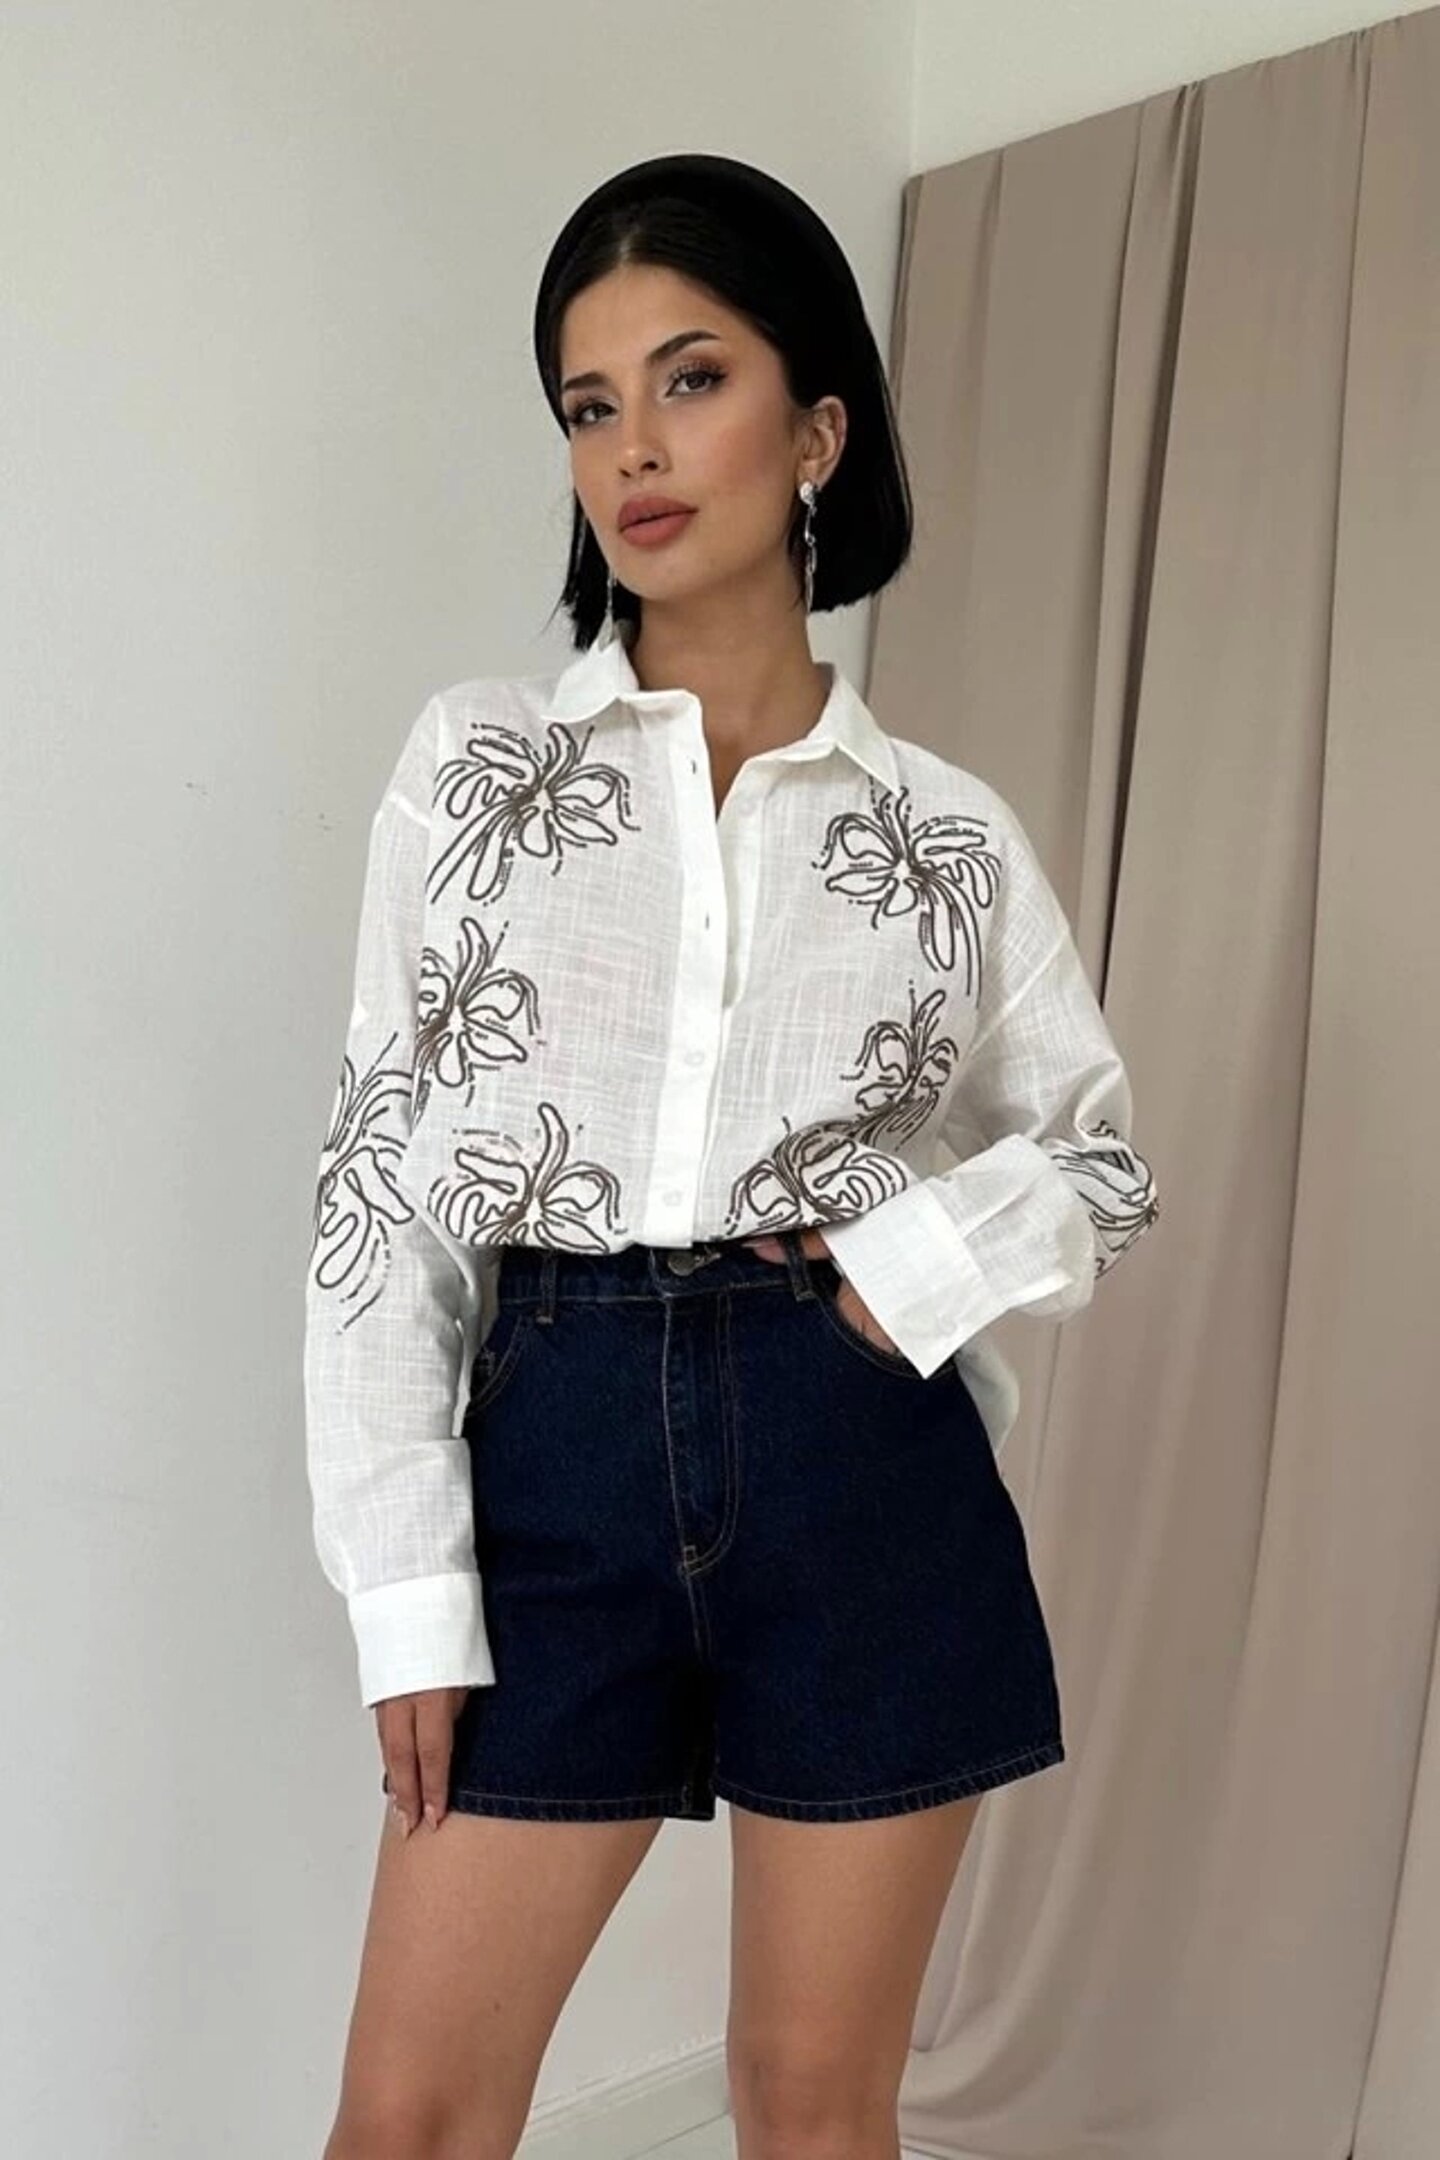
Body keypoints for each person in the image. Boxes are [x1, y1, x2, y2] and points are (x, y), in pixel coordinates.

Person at [305, 152, 1159, 2160]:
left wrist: (905, 1279)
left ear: (819, 430)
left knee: (813, 2107)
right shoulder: (479, 772)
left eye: (690, 380)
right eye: (589, 404)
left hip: (859, 1465)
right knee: (411, 2118)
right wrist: (409, 1593)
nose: (633, 447)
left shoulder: (941, 836)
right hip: (556, 1449)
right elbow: (382, 1192)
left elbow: (1098, 1157)